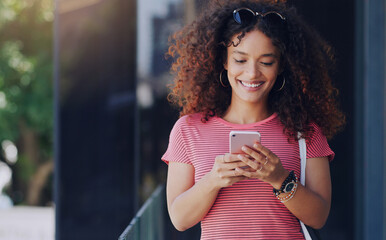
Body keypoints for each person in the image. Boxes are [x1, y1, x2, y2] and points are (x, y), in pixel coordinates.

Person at [162, 0, 345, 239]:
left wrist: (279, 178)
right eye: (240, 60)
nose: (252, 73)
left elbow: (319, 216)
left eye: (266, 62)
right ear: (224, 61)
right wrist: (213, 180)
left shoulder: (305, 131)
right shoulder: (188, 130)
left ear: (281, 66)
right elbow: (179, 219)